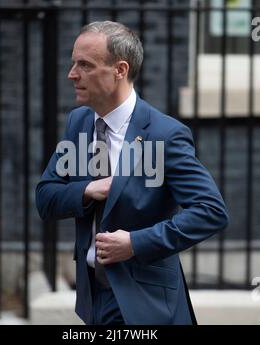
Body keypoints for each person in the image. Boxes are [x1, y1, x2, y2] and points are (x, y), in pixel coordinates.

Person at [35, 21, 229, 325]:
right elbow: (45, 198)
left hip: (144, 304)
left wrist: (135, 243)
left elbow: (211, 211)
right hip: (91, 298)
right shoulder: (78, 123)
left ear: (120, 70)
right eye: (73, 63)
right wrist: (88, 190)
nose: (72, 74)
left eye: (84, 65)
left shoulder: (165, 134)